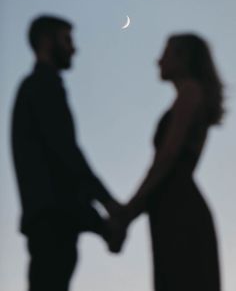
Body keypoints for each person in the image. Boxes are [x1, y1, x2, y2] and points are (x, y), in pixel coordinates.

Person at [11, 15, 121, 291]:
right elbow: (65, 156)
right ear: (47, 41)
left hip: (52, 224)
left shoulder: (37, 87)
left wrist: (100, 224)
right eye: (67, 40)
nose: (74, 49)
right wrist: (107, 205)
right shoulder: (42, 86)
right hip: (53, 226)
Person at [112, 34, 223, 291]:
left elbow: (167, 158)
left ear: (183, 57)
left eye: (166, 53)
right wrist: (131, 212)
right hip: (168, 208)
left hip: (179, 209)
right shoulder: (190, 95)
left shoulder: (191, 92)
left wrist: (127, 213)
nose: (158, 60)